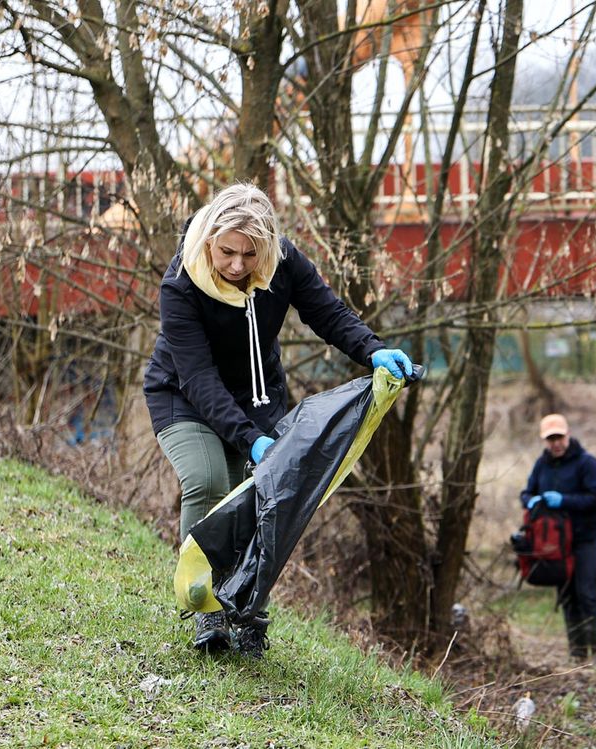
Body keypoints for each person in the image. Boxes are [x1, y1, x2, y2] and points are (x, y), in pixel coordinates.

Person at [144, 183, 413, 658]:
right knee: (210, 482)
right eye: (227, 252)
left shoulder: (283, 262)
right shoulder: (181, 283)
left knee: (268, 500)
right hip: (184, 396)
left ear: (267, 247)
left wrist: (373, 351)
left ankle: (249, 612)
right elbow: (200, 379)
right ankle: (209, 610)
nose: (236, 265)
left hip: (258, 396)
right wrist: (251, 442)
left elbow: (327, 314)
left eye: (250, 254)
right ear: (210, 238)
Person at [519, 413, 596, 663]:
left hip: (586, 537)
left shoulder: (587, 463)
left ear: (567, 435)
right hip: (556, 544)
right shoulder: (541, 465)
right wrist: (530, 500)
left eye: (559, 437)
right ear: (545, 440)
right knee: (567, 596)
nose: (555, 443)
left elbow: (595, 497)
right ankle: (577, 656)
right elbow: (526, 493)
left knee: (587, 593)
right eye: (550, 439)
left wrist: (564, 500)